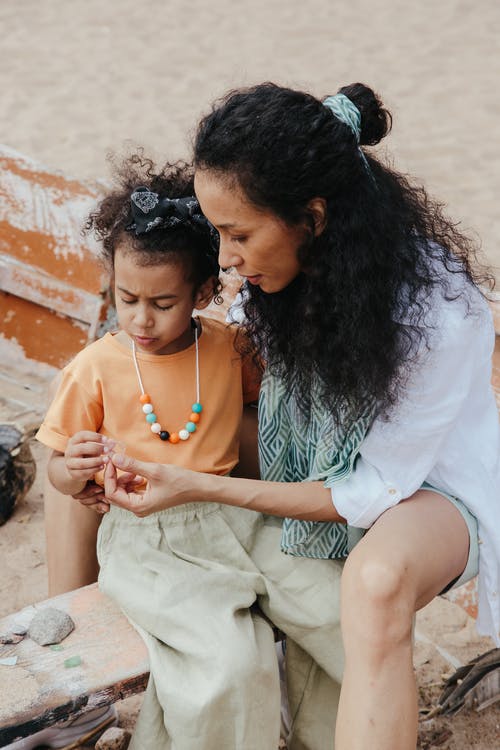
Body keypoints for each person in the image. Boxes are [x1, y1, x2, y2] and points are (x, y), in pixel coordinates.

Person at [98, 83, 500, 750]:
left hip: (429, 490)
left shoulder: (442, 315)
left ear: (313, 217)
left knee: (375, 583)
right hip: (323, 466)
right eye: (217, 232)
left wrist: (200, 485)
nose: (225, 258)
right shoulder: (271, 277)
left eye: (238, 235)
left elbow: (372, 493)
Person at [33, 154, 346, 750]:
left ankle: (327, 738)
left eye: (163, 303)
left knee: (337, 614)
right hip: (150, 542)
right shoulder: (97, 366)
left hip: (237, 519)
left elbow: (266, 411)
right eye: (127, 299)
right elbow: (60, 470)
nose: (141, 320)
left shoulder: (232, 349)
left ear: (203, 291)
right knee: (229, 665)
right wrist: (71, 471)